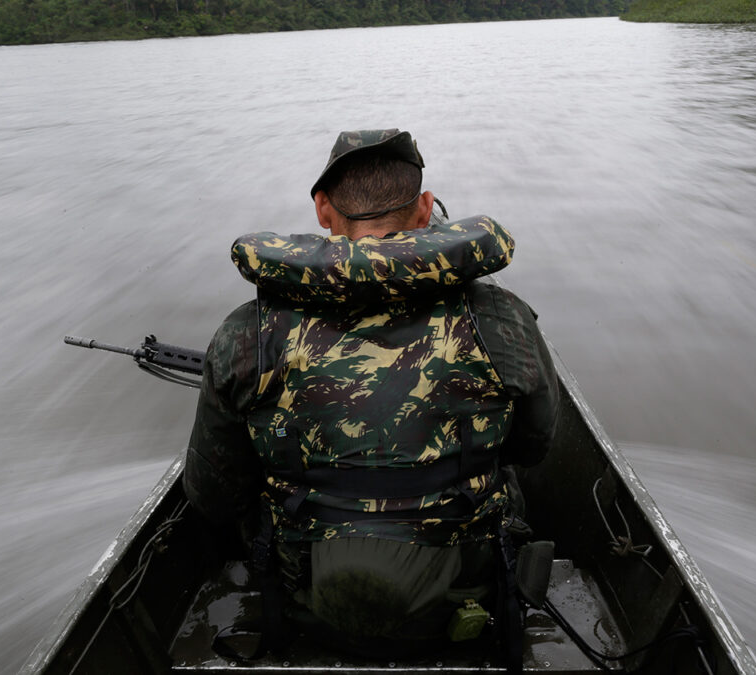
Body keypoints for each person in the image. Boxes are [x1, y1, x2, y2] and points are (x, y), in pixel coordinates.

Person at [184, 129, 562, 661]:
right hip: (460, 599)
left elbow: (211, 496)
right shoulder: (501, 319)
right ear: (426, 209)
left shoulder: (247, 334)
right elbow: (535, 447)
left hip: (304, 598)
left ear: (322, 209)